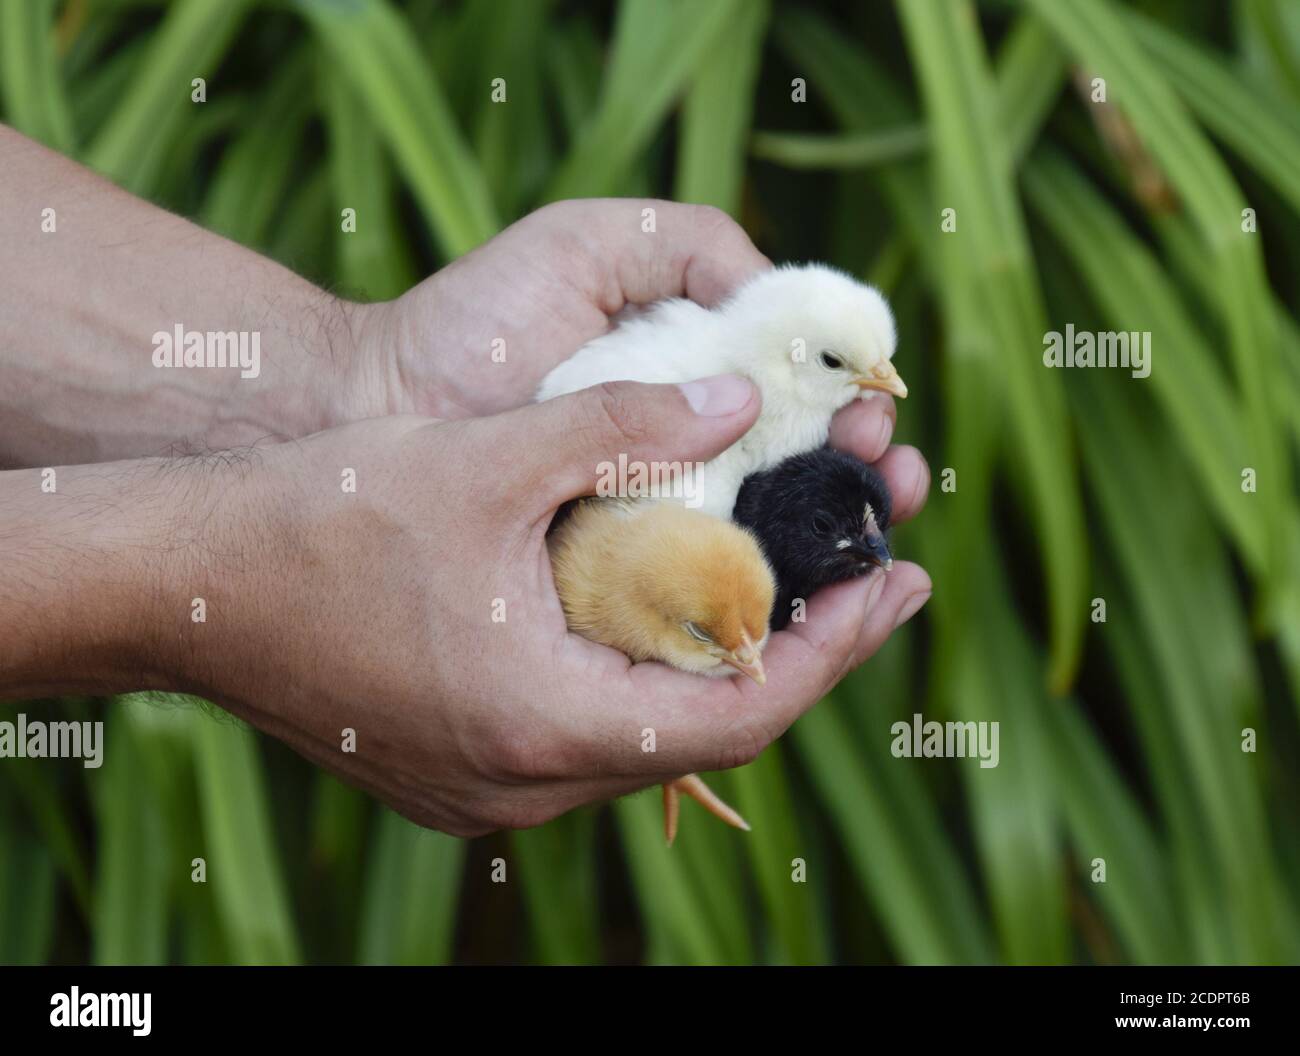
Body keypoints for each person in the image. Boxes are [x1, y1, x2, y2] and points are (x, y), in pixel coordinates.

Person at [0, 125, 931, 837]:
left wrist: (360, 382)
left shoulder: (761, 409)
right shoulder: (708, 420)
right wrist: (250, 570)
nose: (880, 388)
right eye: (853, 366)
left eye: (875, 368)